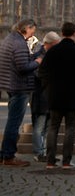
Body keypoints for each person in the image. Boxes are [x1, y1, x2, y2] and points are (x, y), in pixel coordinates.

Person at [38, 22, 75, 169]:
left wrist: (47, 88)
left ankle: (50, 161)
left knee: (53, 127)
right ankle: (66, 161)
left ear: (62, 33)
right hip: (74, 95)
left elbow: (42, 72)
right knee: (70, 128)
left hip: (55, 94)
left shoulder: (52, 51)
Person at [0, 19, 42, 167]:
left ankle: (4, 154)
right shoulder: (19, 43)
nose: (33, 34)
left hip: (11, 85)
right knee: (14, 123)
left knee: (12, 121)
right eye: (32, 31)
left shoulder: (10, 39)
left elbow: (19, 60)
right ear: (26, 28)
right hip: (19, 86)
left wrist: (34, 55)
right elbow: (23, 67)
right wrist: (38, 61)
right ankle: (9, 156)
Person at [31, 31, 61, 162]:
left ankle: (47, 152)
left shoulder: (50, 55)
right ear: (48, 44)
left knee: (48, 127)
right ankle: (39, 153)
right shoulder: (39, 55)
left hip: (50, 96)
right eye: (55, 45)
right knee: (39, 126)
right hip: (41, 96)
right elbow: (38, 75)